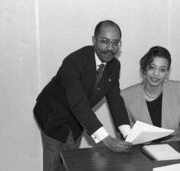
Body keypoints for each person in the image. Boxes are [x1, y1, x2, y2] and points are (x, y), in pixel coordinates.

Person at [33, 20, 132, 171]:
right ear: (94, 40)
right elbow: (79, 104)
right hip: (52, 115)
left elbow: (115, 100)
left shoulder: (114, 65)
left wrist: (128, 134)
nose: (110, 48)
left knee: (71, 162)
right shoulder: (73, 62)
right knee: (53, 164)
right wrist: (107, 140)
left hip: (77, 119)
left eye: (115, 43)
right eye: (104, 41)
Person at [121, 46, 180, 151]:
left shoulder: (179, 89)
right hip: (141, 152)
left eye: (162, 70)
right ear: (144, 69)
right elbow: (127, 133)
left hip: (174, 150)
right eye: (152, 67)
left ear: (167, 74)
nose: (156, 74)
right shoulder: (126, 96)